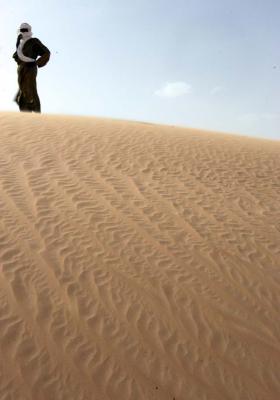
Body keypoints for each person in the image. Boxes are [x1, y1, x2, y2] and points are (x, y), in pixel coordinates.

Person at [13, 23, 50, 113]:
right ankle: (26, 117)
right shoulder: (20, 45)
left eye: (25, 30)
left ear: (29, 31)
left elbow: (46, 52)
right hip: (21, 70)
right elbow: (16, 56)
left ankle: (37, 114)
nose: (23, 32)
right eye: (22, 30)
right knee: (22, 94)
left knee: (31, 89)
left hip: (30, 67)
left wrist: (36, 63)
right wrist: (18, 42)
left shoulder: (34, 41)